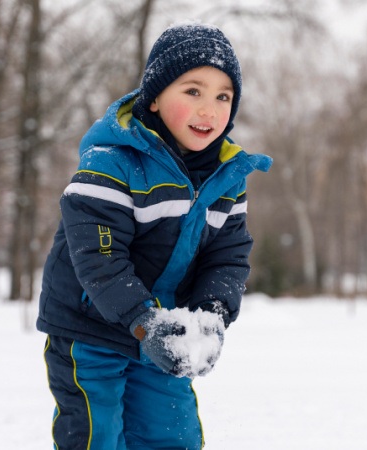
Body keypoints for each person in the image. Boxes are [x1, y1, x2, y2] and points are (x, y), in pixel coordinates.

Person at [36, 21, 272, 449]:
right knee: (97, 434)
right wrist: (143, 321)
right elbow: (99, 258)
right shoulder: (111, 163)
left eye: (224, 96)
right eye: (193, 91)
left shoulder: (227, 178)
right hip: (90, 329)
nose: (210, 109)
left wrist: (212, 314)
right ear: (156, 98)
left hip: (164, 331)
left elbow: (228, 256)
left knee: (171, 434)